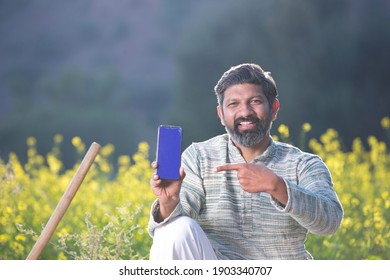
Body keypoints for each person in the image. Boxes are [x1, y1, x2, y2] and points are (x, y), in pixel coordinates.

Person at [148, 63, 343, 260]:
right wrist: (169, 202)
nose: (245, 112)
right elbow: (177, 241)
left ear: (274, 108)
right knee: (175, 229)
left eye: (255, 101)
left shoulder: (304, 164)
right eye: (233, 104)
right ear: (221, 115)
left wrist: (277, 186)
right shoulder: (199, 156)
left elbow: (330, 221)